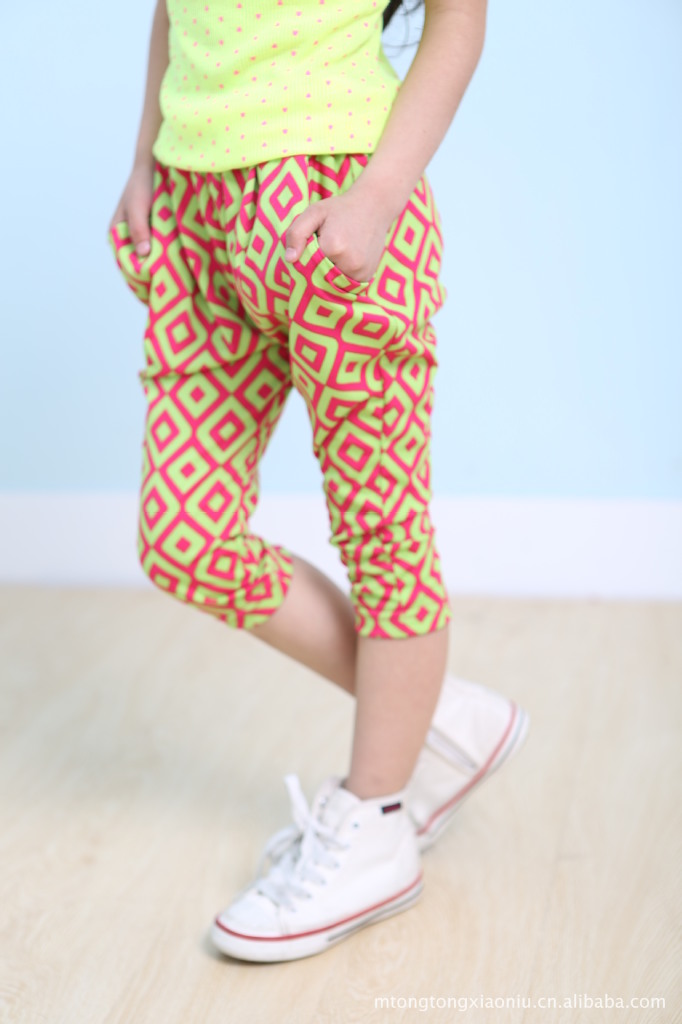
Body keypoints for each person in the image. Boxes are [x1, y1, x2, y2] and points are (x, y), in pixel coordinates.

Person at [108, 0, 529, 963]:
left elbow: (459, 20)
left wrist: (380, 194)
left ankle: (377, 822)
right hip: (193, 209)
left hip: (333, 193)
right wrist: (144, 160)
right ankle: (437, 718)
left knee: (383, 538)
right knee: (183, 541)